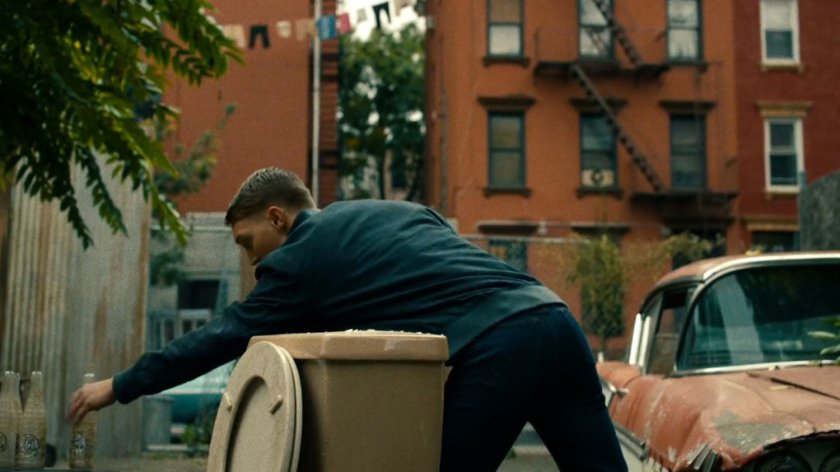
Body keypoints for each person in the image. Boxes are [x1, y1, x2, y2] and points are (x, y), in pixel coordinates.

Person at [69, 167, 627, 471]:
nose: (251, 258)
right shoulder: (402, 212)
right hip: (556, 320)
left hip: (503, 348)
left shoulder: (297, 261)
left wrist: (117, 387)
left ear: (276, 217)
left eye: (247, 242)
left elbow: (222, 338)